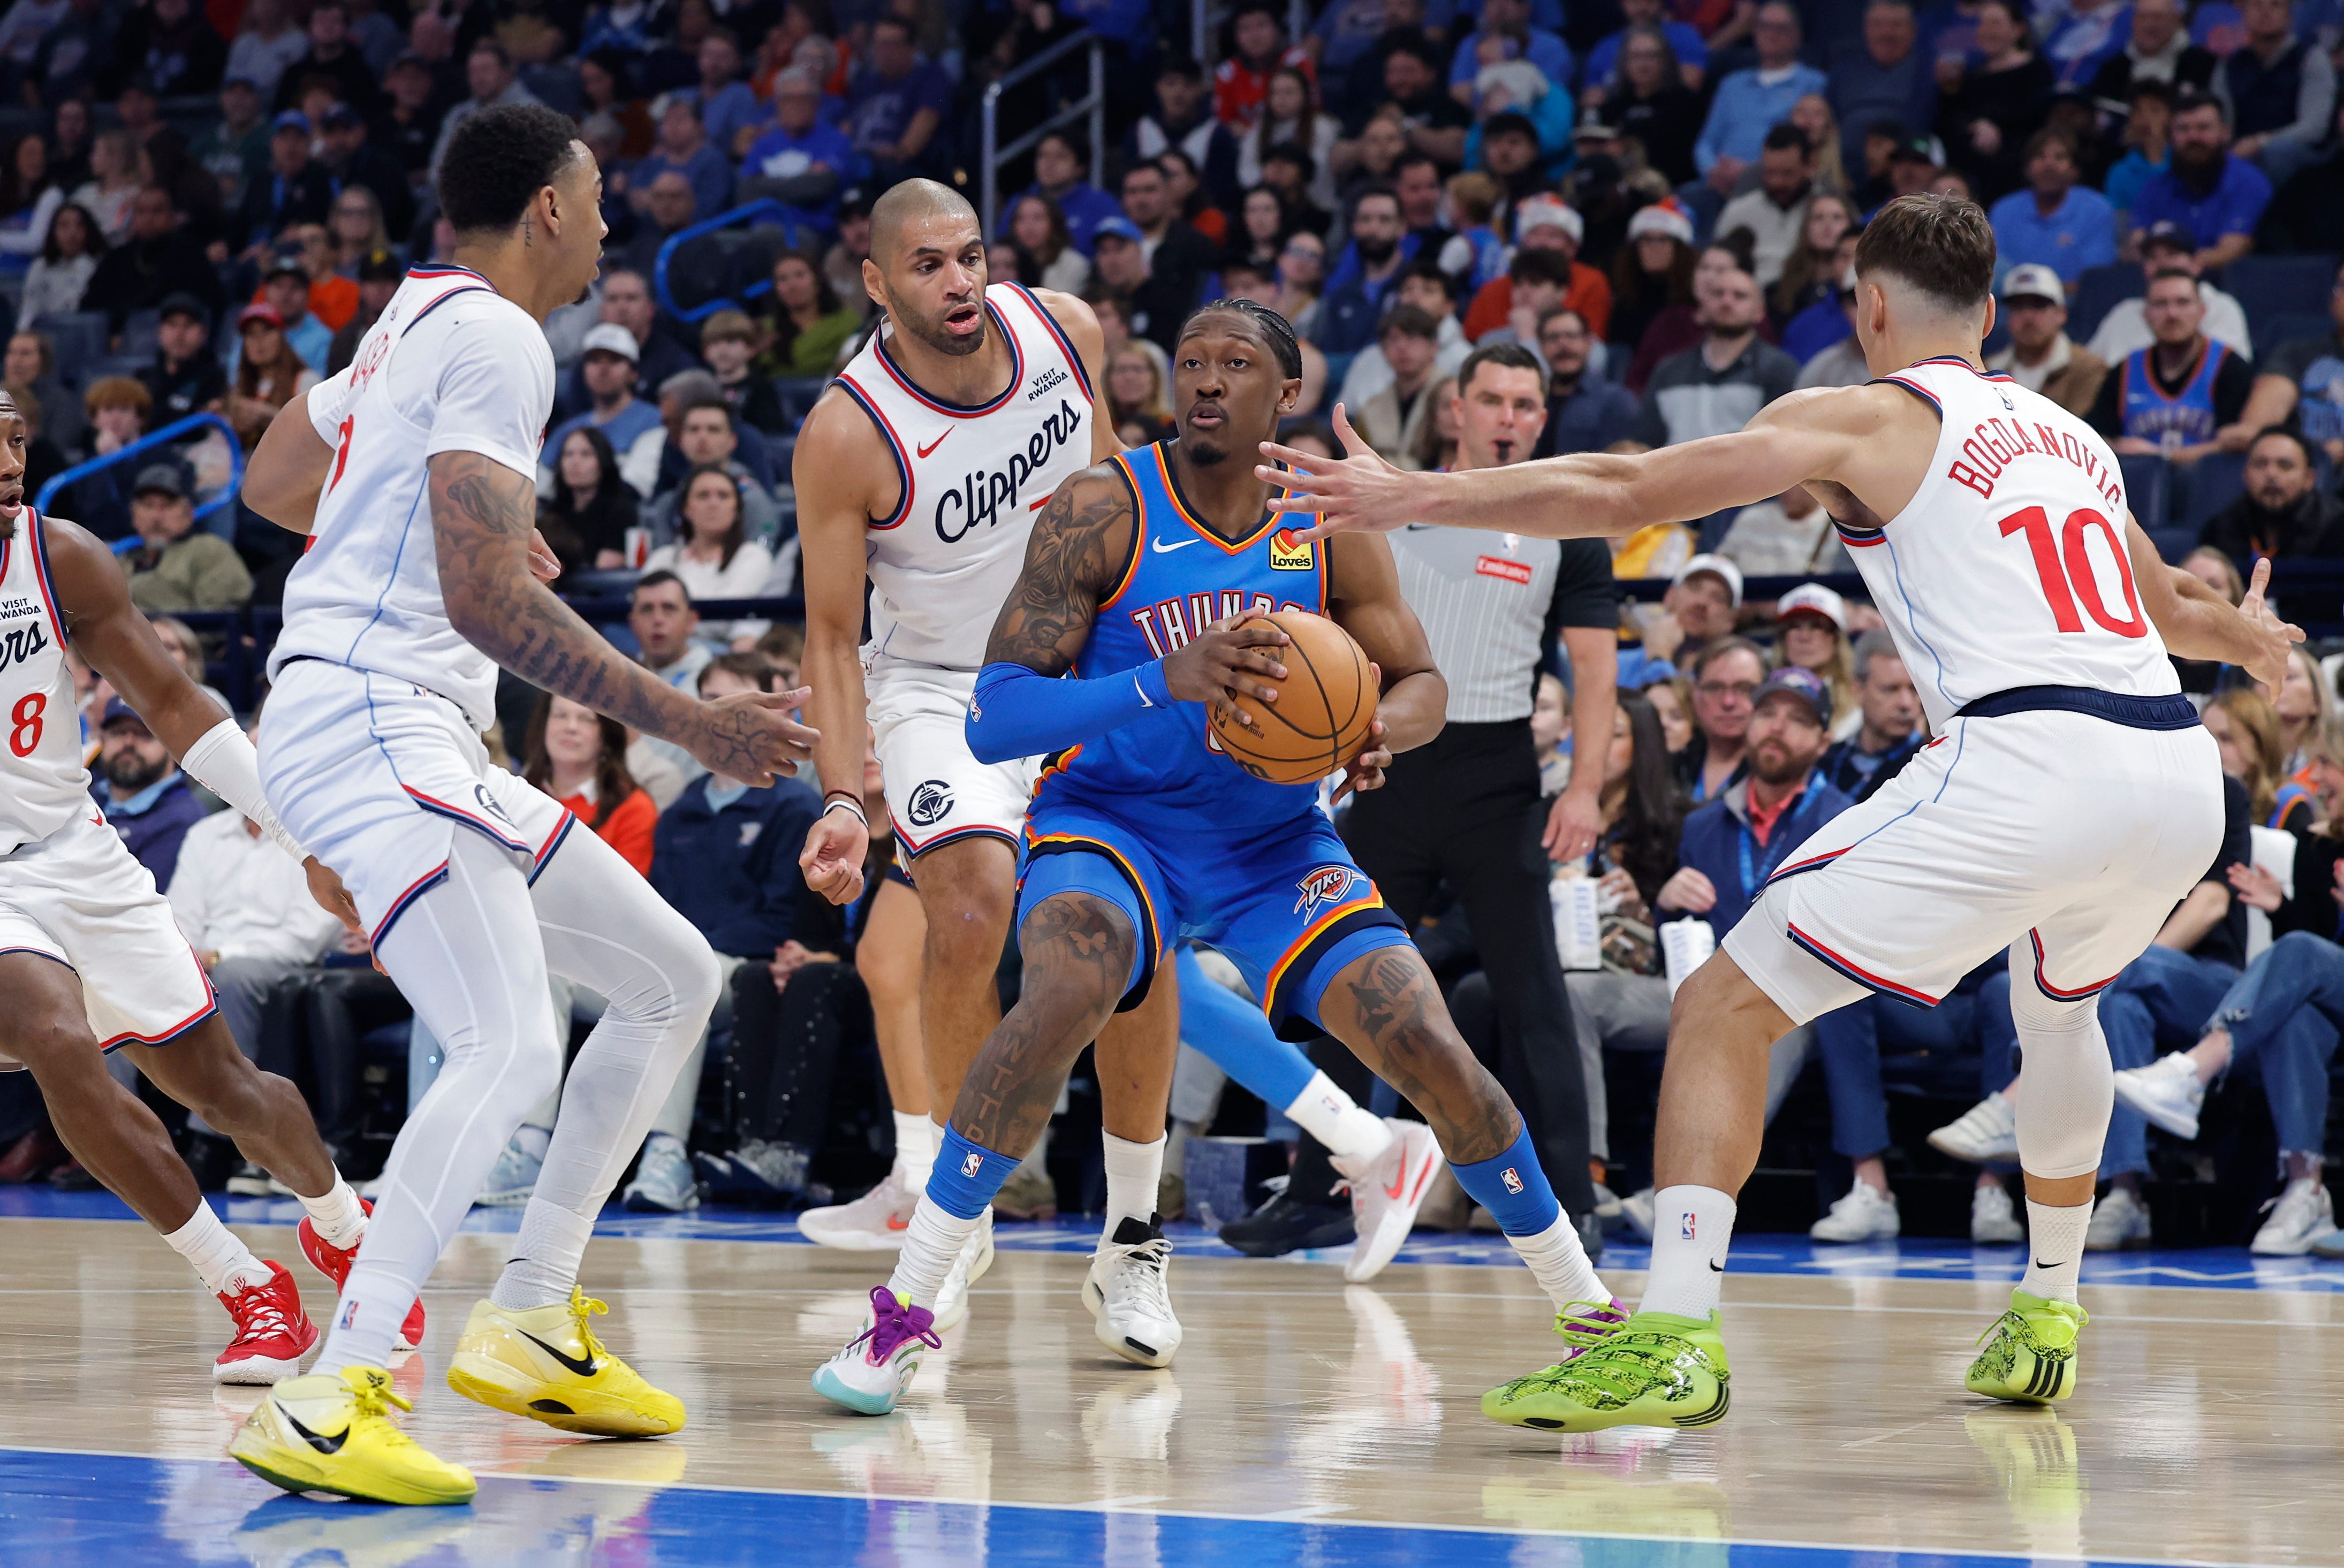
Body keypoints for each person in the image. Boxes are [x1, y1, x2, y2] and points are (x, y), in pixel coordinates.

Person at [1261, 192, 2295, 1431]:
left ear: (1866, 304)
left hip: (2030, 756)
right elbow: (2171, 607)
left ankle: (1675, 1335)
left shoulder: (1864, 413)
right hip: (2174, 772)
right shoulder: (2070, 436)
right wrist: (2253, 639)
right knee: (2056, 999)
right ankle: (2046, 1307)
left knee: (1721, 1005)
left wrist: (1408, 493)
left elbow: (1628, 482)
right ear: (1984, 311)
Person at [812, 298, 1617, 1415]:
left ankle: (1591, 1321)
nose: (1203, 379)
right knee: (1062, 994)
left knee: (1427, 1041)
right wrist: (1160, 677)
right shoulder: (1101, 505)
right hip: (1111, 823)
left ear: (1282, 394)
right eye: (1188, 360)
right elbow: (995, 717)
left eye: (1233, 364)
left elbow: (1419, 679)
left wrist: (1377, 728)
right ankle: (901, 1314)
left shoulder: (1320, 521)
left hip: (1273, 843)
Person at [230, 102, 812, 1506]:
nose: (610, 225)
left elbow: (272, 482)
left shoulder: (405, 322)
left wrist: (436, 515)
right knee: (505, 1041)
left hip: (383, 720)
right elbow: (488, 599)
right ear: (549, 207)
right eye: (598, 198)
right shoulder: (493, 333)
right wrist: (692, 717)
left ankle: (533, 1314)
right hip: (376, 715)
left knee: (674, 976)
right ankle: (334, 1391)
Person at [787, 180, 1180, 1348]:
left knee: (1129, 932)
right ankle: (959, 1222)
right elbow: (826, 631)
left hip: (1072, 674)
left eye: (969, 256)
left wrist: (1163, 656)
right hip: (936, 692)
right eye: (926, 265)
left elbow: (1118, 500)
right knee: (968, 907)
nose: (957, 282)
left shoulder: (1064, 328)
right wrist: (844, 795)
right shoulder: (847, 431)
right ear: (875, 282)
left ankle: (1131, 1239)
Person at [0, 389, 409, 1389]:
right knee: (56, 1041)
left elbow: (176, 702)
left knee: (222, 1089)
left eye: (15, 433)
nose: (9, 456)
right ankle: (246, 1286)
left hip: (75, 849)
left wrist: (300, 830)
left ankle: (343, 1228)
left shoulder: (60, 557)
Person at [2085, 269, 2252, 464]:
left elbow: (2233, 446)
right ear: (2145, 315)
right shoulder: (2124, 371)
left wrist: (2161, 456)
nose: (2172, 314)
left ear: (2202, 311)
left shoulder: (2230, 367)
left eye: (2183, 303)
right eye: (2160, 304)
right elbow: (2096, 437)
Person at [1631, 267, 1800, 449]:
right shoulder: (1669, 370)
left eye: (1739, 296)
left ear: (1759, 311)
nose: (1727, 302)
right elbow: (1644, 444)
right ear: (1702, 307)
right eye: (1718, 294)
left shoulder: (1780, 369)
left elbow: (1782, 447)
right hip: (1672, 475)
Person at [2129, 88, 2272, 271]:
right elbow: (2136, 247)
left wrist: (2174, 264)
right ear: (2171, 136)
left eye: (2203, 128)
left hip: (2228, 286)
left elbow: (2233, 249)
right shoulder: (2154, 187)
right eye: (2183, 129)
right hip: (2161, 284)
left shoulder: (2249, 182)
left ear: (2225, 133)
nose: (2193, 137)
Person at [1694, 3, 1828, 194]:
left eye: (1781, 28)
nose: (1772, 34)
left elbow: (1817, 142)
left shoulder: (1814, 83)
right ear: (1755, 32)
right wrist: (1713, 171)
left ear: (1797, 36)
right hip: (1718, 183)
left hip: (1778, 184)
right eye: (1764, 26)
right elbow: (1706, 144)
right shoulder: (1732, 84)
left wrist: (1750, 173)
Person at [2227, 256, 2344, 462]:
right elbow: (2256, 429)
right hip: (2302, 476)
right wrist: (2318, 453)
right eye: (2342, 287)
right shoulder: (2297, 354)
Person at [2084, 222, 2251, 363]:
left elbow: (2232, 373)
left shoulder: (2221, 307)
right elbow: (2090, 369)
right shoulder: (2125, 312)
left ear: (2196, 264)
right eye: (2151, 257)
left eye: (2172, 254)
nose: (2162, 263)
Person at [2212, 0, 2334, 187]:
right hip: (2239, 153)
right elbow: (2221, 121)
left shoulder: (2311, 58)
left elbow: (2313, 128)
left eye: (2275, 5)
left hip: (2298, 156)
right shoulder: (2231, 64)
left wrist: (2261, 142)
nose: (2265, 12)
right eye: (2257, 5)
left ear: (2290, 16)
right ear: (2243, 13)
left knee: (2276, 154)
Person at [2197, 427, 2344, 580]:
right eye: (2261, 464)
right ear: (2245, 474)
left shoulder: (2337, 527)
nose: (2271, 474)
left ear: (2309, 479)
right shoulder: (2219, 529)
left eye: (2285, 465)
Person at [543, 322, 666, 497]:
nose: (603, 369)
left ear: (634, 373)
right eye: (594, 361)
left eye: (615, 361)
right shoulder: (569, 430)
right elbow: (541, 488)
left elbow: (637, 486)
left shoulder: (652, 421)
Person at [1988, 129, 2116, 288]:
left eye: (2060, 157)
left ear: (2075, 170)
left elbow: (2096, 279)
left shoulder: (2096, 209)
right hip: (2013, 305)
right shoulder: (2004, 211)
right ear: (2027, 169)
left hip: (2076, 306)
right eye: (2040, 157)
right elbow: (1993, 275)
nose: (2049, 165)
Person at [121, 466, 251, 613]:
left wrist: (172, 629)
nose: (156, 517)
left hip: (185, 633)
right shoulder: (120, 561)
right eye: (148, 506)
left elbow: (223, 615)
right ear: (133, 515)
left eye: (167, 506)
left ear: (188, 513)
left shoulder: (208, 549)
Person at [1985, 264, 2107, 416]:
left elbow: (2082, 432)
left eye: (2039, 305)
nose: (2028, 317)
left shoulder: (2087, 369)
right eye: (2018, 307)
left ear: (2061, 313)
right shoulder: (1987, 371)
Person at [840, 17, 952, 184]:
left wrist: (901, 151)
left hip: (901, 169)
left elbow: (926, 120)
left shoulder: (929, 77)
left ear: (912, 48)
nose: (884, 51)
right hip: (857, 161)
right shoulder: (865, 83)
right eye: (879, 44)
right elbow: (846, 127)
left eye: (892, 44)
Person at [1819, 629, 1923, 796]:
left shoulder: (1931, 768)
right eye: (1891, 689)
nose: (1906, 703)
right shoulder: (1825, 763)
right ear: (1858, 690)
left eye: (1914, 690)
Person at [1716, 126, 1818, 291]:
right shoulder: (1739, 211)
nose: (1777, 182)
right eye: (1771, 173)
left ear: (1809, 166)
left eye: (1788, 173)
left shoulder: (1827, 212)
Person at [1533, 308, 1638, 456]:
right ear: (1541, 347)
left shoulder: (1616, 400)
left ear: (1589, 343)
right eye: (1553, 337)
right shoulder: (1533, 399)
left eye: (1572, 336)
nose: (1563, 344)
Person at [539, 425, 638, 581]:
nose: (575, 462)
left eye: (586, 454)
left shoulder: (620, 510)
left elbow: (605, 570)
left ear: (603, 461)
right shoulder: (553, 511)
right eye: (568, 454)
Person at [225, 303, 318, 452]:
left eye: (267, 331)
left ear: (282, 337)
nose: (259, 340)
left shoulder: (306, 380)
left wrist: (270, 417)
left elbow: (312, 436)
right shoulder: (241, 386)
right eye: (251, 334)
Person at [19, 200, 101, 329]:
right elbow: (29, 309)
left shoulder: (96, 267)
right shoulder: (40, 266)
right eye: (64, 225)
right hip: (43, 334)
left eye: (79, 225)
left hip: (79, 334)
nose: (72, 233)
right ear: (53, 231)